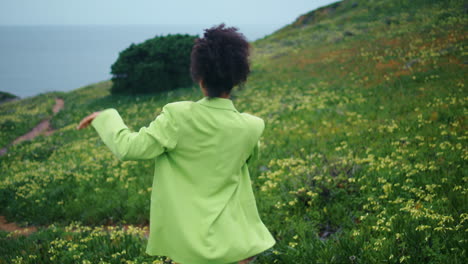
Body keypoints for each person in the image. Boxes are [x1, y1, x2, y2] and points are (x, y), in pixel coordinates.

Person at [77, 23, 276, 264]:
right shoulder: (252, 126)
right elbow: (248, 160)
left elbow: (128, 148)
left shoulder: (178, 117)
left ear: (199, 77)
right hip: (239, 248)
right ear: (237, 78)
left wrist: (105, 117)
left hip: (190, 249)